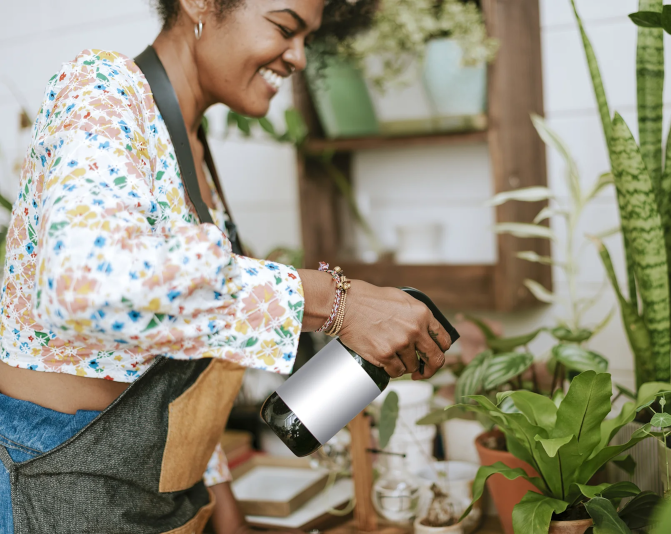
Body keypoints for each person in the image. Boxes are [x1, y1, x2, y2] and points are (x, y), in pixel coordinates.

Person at [0, 1, 453, 532]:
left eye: (307, 37)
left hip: (165, 494)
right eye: (285, 28)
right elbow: (86, 282)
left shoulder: (193, 146)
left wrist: (225, 509)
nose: (299, 57)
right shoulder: (102, 86)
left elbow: (180, 361)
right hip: (66, 477)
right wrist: (334, 301)